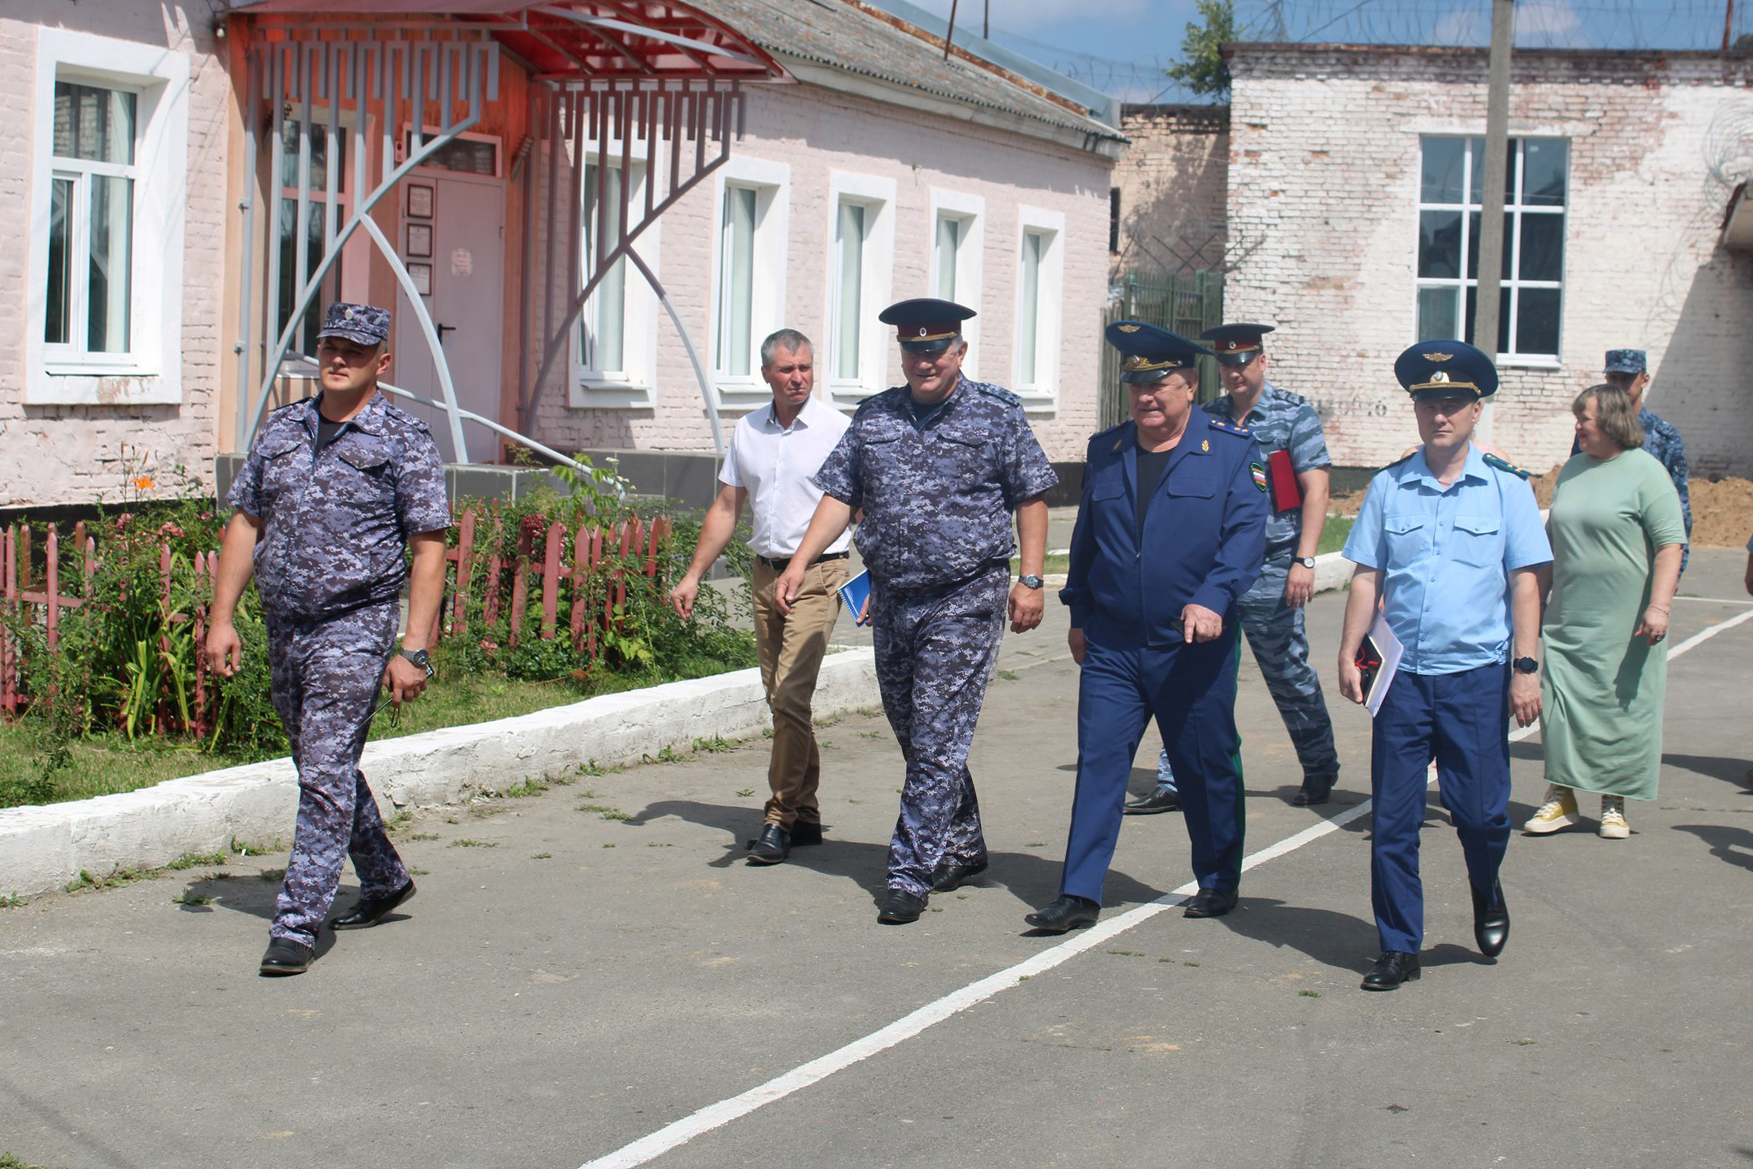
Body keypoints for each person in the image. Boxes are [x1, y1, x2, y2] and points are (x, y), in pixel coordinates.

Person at [775, 298, 1057, 925]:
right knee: (916, 730)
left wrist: (1031, 580)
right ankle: (963, 843)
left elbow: (1032, 497)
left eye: (936, 350)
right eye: (913, 351)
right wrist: (800, 562)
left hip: (965, 597)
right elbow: (841, 497)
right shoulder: (875, 417)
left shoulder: (996, 415)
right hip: (893, 597)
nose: (924, 361)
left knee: (935, 735)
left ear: (959, 352)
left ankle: (908, 871)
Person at [206, 303, 450, 977]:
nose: (337, 357)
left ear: (382, 361)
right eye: (329, 345)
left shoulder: (404, 437)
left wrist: (413, 646)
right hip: (285, 623)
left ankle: (297, 920)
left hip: (356, 622)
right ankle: (382, 875)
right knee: (323, 761)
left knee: (321, 767)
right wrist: (221, 617)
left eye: (354, 348)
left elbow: (428, 547)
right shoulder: (283, 428)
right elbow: (246, 521)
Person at [1024, 322, 1267, 934]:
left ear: (1189, 385)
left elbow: (1244, 540)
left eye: (1159, 385)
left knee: (1203, 762)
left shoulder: (1233, 451)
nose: (1146, 397)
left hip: (1192, 644)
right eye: (1136, 386)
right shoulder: (1107, 451)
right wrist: (1079, 612)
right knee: (1101, 761)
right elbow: (1086, 543)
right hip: (1113, 643)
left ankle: (1217, 877)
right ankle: (1080, 891)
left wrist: (1213, 599)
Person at [1336, 340, 1550, 992]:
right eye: (1428, 401)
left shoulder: (1505, 489)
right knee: (1393, 819)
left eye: (1451, 401)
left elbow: (1526, 581)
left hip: (1474, 675)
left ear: (1474, 408)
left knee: (1481, 814)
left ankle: (1485, 886)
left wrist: (1524, 666)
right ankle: (1398, 944)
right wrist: (1349, 651)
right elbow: (1367, 577)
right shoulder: (1388, 485)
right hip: (1399, 675)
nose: (1439, 414)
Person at [668, 330, 850, 865]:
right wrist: (694, 574)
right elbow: (727, 506)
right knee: (781, 699)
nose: (799, 378)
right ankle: (808, 811)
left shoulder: (839, 429)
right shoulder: (747, 430)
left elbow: (858, 505)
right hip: (765, 576)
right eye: (788, 369)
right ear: (766, 374)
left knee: (790, 697)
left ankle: (779, 817)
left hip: (820, 574)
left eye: (806, 368)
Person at [1524, 384, 1684, 840]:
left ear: (1612, 421)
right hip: (1569, 615)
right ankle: (1561, 796)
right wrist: (1534, 607)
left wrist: (1659, 606)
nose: (1578, 427)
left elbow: (1671, 544)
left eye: (1584, 419)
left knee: (1620, 710)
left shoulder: (1646, 472)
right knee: (1560, 706)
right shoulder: (1572, 470)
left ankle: (1614, 802)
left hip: (1626, 621)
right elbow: (1552, 546)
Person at [1571, 350, 1691, 572]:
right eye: (1612, 378)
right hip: (1592, 553)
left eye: (1626, 378)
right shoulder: (1590, 431)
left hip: (1641, 556)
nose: (1618, 385)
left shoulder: (1664, 436)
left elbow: (1679, 506)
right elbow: (1575, 486)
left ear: (1644, 379)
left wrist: (1676, 571)